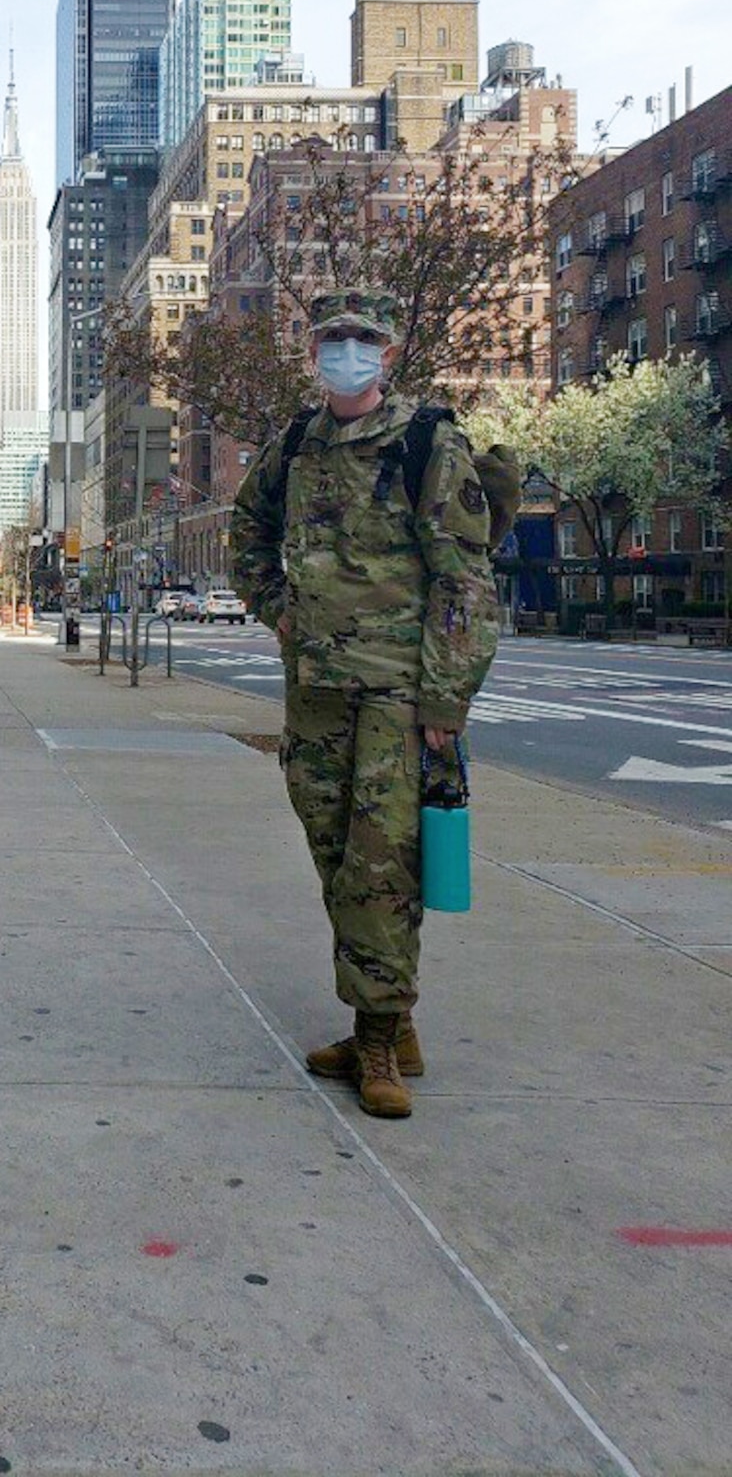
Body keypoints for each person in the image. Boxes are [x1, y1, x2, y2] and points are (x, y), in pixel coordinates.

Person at [227, 290, 499, 1119]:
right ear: (315, 350)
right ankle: (395, 1016)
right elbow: (248, 530)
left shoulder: (428, 443)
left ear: (389, 352)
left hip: (398, 693)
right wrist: (278, 608)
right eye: (331, 337)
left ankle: (376, 1041)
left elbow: (464, 580)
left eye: (362, 338)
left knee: (383, 867)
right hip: (314, 691)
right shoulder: (298, 442)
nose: (346, 349)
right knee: (338, 861)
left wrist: (447, 699)